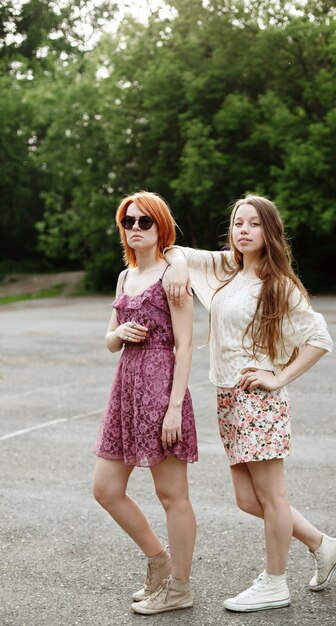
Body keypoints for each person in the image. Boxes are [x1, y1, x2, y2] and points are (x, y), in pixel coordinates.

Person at [164, 194, 336, 613]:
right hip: (228, 398)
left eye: (253, 224)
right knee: (249, 500)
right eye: (237, 223)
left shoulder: (277, 284)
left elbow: (320, 338)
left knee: (272, 497)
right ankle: (324, 545)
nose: (243, 230)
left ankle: (275, 582)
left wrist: (278, 376)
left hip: (259, 401)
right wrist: (176, 264)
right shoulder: (227, 269)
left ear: (269, 232)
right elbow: (176, 252)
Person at [92, 191, 197, 616]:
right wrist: (122, 334)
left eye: (143, 222)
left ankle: (180, 588)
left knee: (171, 495)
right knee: (105, 488)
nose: (135, 229)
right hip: (126, 389)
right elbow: (108, 341)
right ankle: (159, 562)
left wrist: (173, 408)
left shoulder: (173, 273)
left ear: (160, 227)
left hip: (161, 388)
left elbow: (187, 344)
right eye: (128, 222)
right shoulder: (124, 277)